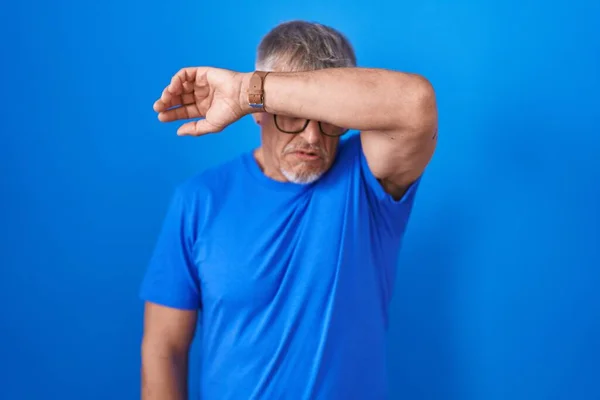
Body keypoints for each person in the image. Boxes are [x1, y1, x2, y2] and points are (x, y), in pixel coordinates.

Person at [139, 20, 438, 400]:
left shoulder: (366, 182)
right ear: (258, 113)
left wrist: (249, 89)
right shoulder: (199, 199)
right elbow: (164, 348)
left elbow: (416, 103)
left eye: (327, 119)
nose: (312, 137)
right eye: (290, 113)